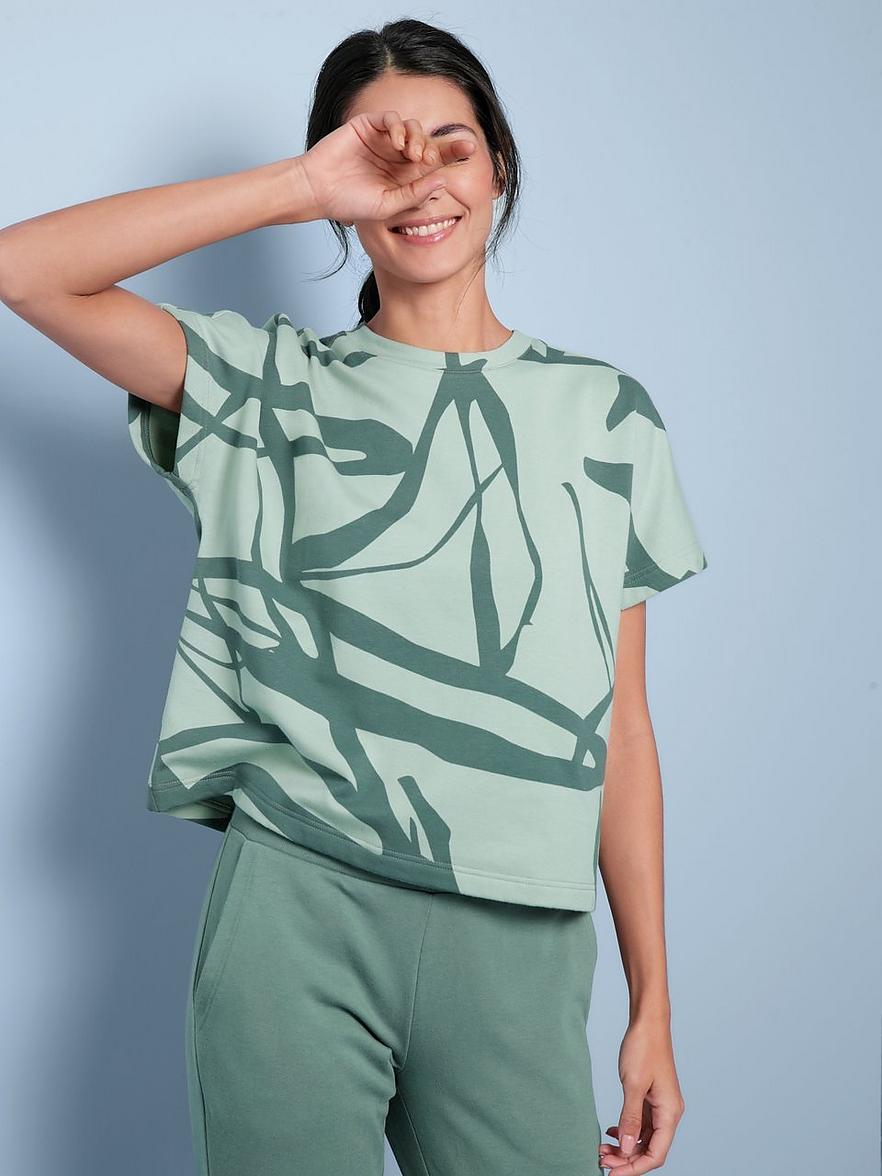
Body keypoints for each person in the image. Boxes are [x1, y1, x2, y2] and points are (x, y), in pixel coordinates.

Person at [0, 17, 709, 1176]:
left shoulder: (607, 416)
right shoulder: (267, 387)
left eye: (454, 148)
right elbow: (22, 268)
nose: (423, 182)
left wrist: (654, 1009)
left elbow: (622, 730)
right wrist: (300, 185)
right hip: (299, 905)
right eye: (384, 155)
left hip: (522, 938)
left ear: (501, 166)